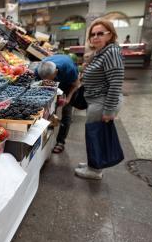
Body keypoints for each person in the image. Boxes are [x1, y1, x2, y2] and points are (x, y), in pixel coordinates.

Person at [75, 18, 124, 180]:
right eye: (93, 34)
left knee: (95, 134)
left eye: (100, 33)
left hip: (102, 101)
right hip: (96, 99)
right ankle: (93, 163)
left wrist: (109, 110)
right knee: (94, 133)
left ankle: (95, 170)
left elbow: (116, 82)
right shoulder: (101, 53)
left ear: (110, 35)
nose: (95, 37)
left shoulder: (111, 52)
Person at [36, 54, 80, 154]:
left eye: (50, 79)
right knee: (49, 110)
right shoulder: (39, 70)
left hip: (69, 84)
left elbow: (76, 84)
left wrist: (68, 98)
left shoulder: (69, 69)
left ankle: (60, 142)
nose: (48, 81)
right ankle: (48, 134)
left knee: (66, 112)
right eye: (45, 80)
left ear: (56, 72)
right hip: (52, 86)